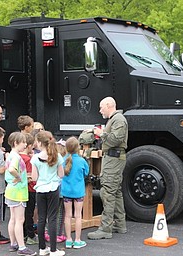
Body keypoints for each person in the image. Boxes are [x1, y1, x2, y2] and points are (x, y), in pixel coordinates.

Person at [87, 96, 128, 240]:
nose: (100, 110)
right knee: (115, 191)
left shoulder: (118, 120)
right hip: (113, 158)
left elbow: (115, 139)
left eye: (101, 107)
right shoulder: (115, 120)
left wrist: (101, 134)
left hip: (113, 159)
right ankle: (119, 224)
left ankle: (105, 229)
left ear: (109, 105)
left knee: (108, 192)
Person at [31, 131, 65, 256]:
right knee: (52, 219)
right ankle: (53, 249)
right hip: (53, 189)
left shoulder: (35, 158)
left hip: (40, 190)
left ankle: (42, 248)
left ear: (39, 143)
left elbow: (34, 177)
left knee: (41, 219)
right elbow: (61, 174)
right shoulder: (57, 156)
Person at [5, 132, 37, 255]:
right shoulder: (17, 157)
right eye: (23, 142)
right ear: (15, 143)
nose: (25, 144)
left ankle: (13, 243)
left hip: (11, 190)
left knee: (13, 219)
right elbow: (12, 169)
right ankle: (22, 247)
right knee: (20, 219)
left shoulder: (10, 155)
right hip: (18, 191)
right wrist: (19, 177)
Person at [61, 137, 89, 249]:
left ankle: (68, 240)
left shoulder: (63, 160)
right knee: (78, 215)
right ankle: (77, 240)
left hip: (66, 191)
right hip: (78, 191)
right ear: (78, 148)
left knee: (67, 215)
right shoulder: (82, 161)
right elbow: (86, 173)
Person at [20, 133, 38, 245]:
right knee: (29, 214)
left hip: (21, 190)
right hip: (30, 189)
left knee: (21, 214)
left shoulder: (18, 156)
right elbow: (31, 175)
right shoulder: (28, 160)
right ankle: (30, 235)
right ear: (29, 146)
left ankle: (23, 234)